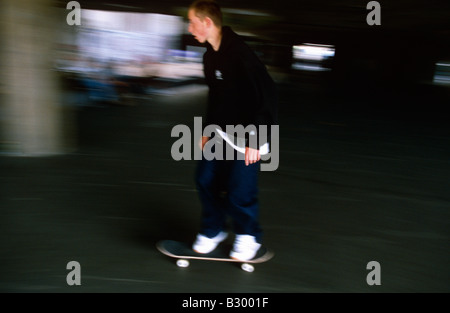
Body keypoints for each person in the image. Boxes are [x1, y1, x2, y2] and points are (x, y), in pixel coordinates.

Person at [187, 0, 278, 261]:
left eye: (193, 22)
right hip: (220, 133)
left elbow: (268, 94)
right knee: (205, 179)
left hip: (250, 136)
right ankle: (214, 229)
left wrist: (257, 139)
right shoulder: (210, 57)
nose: (190, 28)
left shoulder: (241, 55)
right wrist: (206, 130)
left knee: (240, 190)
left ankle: (248, 236)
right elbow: (216, 97)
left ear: (207, 22)